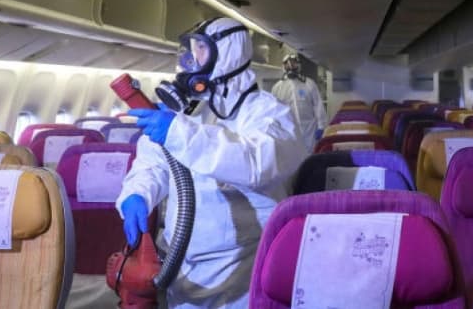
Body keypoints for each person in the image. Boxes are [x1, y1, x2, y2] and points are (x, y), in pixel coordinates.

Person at [117, 17, 307, 308]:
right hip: (183, 265)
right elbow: (153, 162)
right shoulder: (189, 113)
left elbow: (257, 162)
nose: (192, 60)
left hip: (245, 268)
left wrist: (178, 132)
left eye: (202, 50)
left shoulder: (269, 113)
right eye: (191, 51)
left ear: (228, 54)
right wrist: (137, 193)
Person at [271, 54, 328, 152]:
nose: (291, 67)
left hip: (309, 130)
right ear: (283, 67)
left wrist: (321, 126)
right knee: (292, 157)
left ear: (298, 65)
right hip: (288, 131)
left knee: (309, 157)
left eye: (293, 64)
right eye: (288, 64)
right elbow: (274, 111)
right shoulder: (277, 87)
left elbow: (318, 106)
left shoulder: (309, 84)